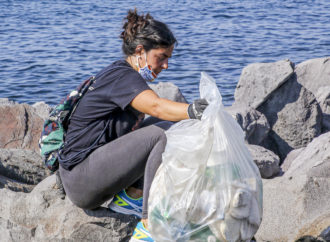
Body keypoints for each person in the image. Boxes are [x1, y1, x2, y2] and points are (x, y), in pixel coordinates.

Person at [58, 8, 208, 242]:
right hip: (80, 179)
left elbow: (160, 115)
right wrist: (194, 111)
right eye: (161, 57)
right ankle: (149, 223)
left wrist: (187, 116)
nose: (166, 65)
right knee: (161, 134)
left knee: (168, 124)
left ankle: (131, 197)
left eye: (169, 57)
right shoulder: (122, 77)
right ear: (140, 52)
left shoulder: (125, 74)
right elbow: (156, 106)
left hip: (88, 172)